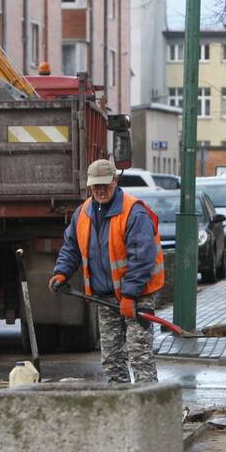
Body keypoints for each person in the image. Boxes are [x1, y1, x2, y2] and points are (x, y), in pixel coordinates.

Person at [48, 159, 164, 384]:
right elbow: (72, 247)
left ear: (115, 181)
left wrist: (130, 295)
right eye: (95, 186)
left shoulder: (134, 212)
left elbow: (142, 258)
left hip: (138, 295)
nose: (100, 190)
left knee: (139, 355)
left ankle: (148, 407)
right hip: (106, 296)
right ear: (89, 186)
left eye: (105, 185)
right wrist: (61, 272)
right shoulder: (83, 213)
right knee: (111, 358)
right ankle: (120, 407)